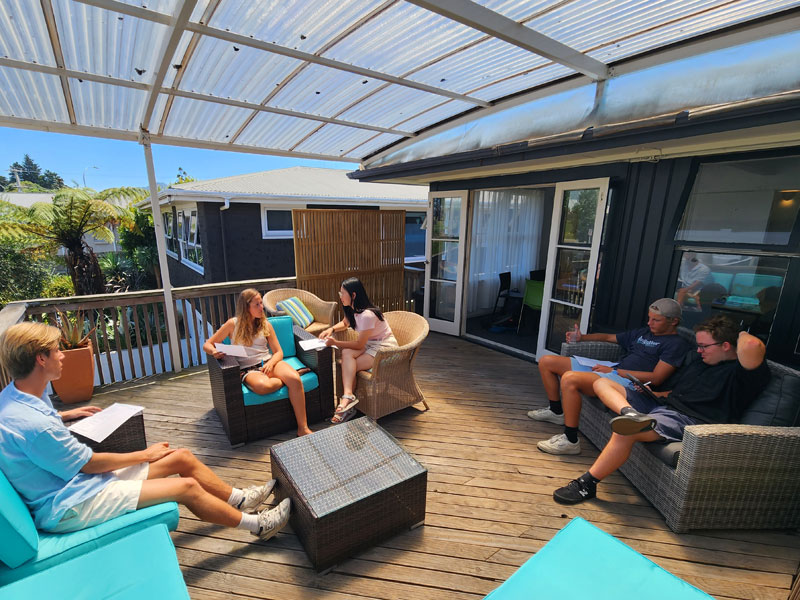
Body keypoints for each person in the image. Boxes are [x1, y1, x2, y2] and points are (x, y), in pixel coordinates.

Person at [0, 321, 291, 539]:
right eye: (55, 351)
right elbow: (88, 464)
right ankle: (258, 525)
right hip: (70, 503)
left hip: (76, 484)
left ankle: (241, 499)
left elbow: (35, 431)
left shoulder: (16, 395)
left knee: (182, 457)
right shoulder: (36, 426)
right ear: (40, 359)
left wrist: (65, 414)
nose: (62, 355)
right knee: (185, 487)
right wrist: (144, 454)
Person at [552, 315, 770, 505]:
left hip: (689, 420)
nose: (699, 350)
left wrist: (736, 332)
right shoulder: (702, 362)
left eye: (704, 346)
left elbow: (752, 346)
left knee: (625, 431)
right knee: (601, 383)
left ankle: (586, 484)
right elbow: (679, 393)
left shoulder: (743, 375)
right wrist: (653, 394)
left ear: (725, 345)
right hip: (662, 405)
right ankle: (630, 413)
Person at [529, 298, 690, 456]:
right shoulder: (644, 332)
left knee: (570, 378)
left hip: (628, 382)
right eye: (649, 318)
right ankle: (556, 412)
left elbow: (656, 378)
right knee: (547, 361)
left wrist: (615, 372)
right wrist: (581, 338)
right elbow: (608, 338)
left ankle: (570, 441)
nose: (649, 323)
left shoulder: (676, 344)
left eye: (656, 320)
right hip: (613, 370)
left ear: (674, 321)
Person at [204, 288, 312, 437]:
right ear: (246, 307)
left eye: (261, 303)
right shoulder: (232, 324)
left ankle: (303, 428)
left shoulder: (266, 324)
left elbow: (278, 352)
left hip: (268, 361)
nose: (262, 307)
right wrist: (214, 352)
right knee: (263, 386)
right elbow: (207, 344)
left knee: (294, 379)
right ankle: (288, 377)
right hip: (248, 369)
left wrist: (271, 364)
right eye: (257, 304)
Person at [319, 277, 399, 424]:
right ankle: (349, 397)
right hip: (369, 345)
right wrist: (331, 329)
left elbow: (358, 344)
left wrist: (335, 342)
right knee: (346, 354)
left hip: (384, 348)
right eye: (340, 293)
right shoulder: (353, 310)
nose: (340, 296)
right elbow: (344, 323)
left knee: (349, 364)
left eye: (343, 293)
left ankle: (348, 403)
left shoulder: (367, 315)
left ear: (354, 295)